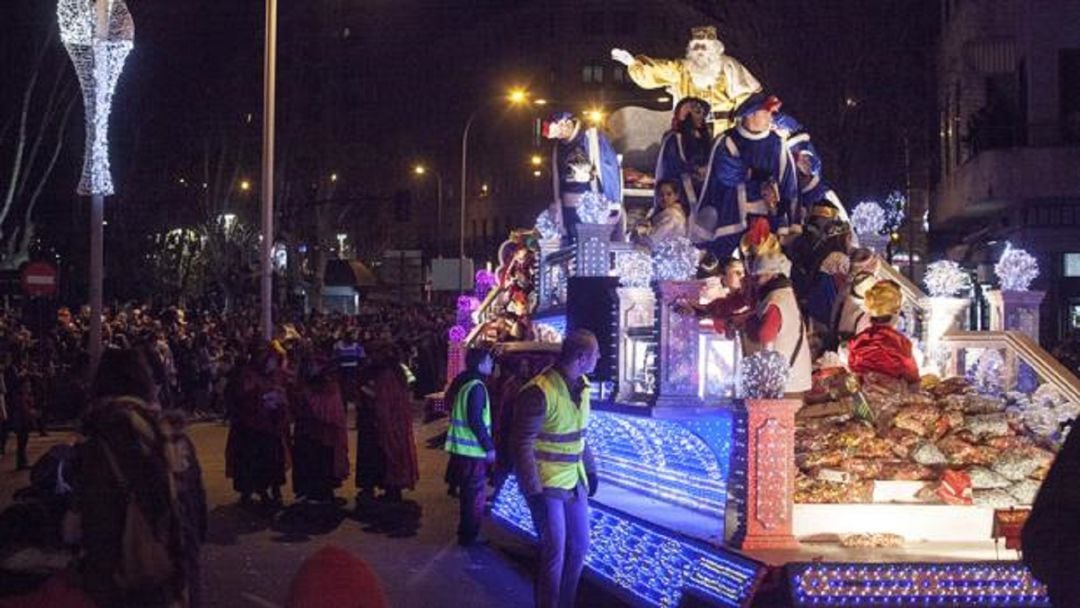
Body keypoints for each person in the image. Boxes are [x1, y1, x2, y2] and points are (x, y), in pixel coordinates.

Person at [69, 348, 200, 608]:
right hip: (178, 578)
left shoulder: (101, 439)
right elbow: (197, 517)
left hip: (124, 584)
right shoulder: (174, 437)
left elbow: (96, 525)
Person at [511, 329, 600, 608]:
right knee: (555, 551)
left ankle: (565, 602)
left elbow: (580, 435)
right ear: (582, 357)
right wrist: (532, 489)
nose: (599, 358)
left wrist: (591, 470)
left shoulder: (583, 385)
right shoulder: (539, 391)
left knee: (580, 546)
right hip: (547, 484)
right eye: (596, 354)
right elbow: (521, 443)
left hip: (574, 481)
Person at [695, 93, 799, 258]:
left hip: (768, 221)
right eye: (766, 113)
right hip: (731, 220)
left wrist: (787, 222)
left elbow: (788, 185)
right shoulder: (726, 141)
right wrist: (758, 175)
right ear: (751, 114)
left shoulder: (777, 143)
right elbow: (727, 173)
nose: (771, 118)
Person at [611, 25, 761, 134]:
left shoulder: (728, 65)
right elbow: (658, 70)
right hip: (691, 129)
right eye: (696, 46)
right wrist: (633, 64)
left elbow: (748, 97)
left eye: (704, 46)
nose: (700, 50)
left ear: (715, 48)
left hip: (723, 129)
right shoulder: (682, 68)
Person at [542, 111, 623, 244]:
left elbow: (608, 168)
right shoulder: (559, 147)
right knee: (572, 245)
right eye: (557, 134)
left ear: (567, 123)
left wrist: (613, 201)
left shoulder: (591, 138)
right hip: (567, 207)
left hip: (591, 203)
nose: (560, 135)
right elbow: (557, 178)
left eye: (560, 131)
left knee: (592, 245)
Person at [443, 346, 496, 546]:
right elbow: (475, 420)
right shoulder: (477, 387)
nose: (492, 365)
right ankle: (470, 536)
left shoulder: (466, 383)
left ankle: (466, 533)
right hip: (473, 451)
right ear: (481, 363)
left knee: (468, 495)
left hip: (463, 451)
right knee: (474, 496)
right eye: (490, 361)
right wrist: (489, 446)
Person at [225, 344, 290, 505]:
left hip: (271, 425)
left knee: (274, 460)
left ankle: (274, 490)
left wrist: (279, 398)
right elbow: (239, 396)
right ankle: (253, 491)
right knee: (250, 461)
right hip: (250, 427)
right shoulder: (247, 374)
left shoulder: (274, 374)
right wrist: (259, 396)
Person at [743, 248, 813, 396]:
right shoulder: (782, 295)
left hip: (785, 384)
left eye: (760, 276)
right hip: (791, 379)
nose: (757, 282)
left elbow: (765, 335)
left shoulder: (776, 300)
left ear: (773, 275)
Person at [355, 344, 418, 502]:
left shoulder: (385, 375)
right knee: (392, 456)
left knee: (386, 457)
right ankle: (392, 489)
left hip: (383, 422)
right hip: (395, 421)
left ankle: (390, 490)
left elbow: (380, 400)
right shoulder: (397, 371)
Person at [291, 353, 350, 504]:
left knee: (323, 463)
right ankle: (313, 492)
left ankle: (322, 492)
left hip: (324, 435)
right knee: (312, 462)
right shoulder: (309, 387)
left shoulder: (328, 388)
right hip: (311, 433)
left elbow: (328, 412)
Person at [847, 280, 920, 385]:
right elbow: (913, 379)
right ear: (896, 311)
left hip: (862, 398)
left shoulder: (857, 340)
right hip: (891, 398)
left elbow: (853, 374)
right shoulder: (900, 342)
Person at [654, 97, 712, 213]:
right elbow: (673, 164)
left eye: (702, 113)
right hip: (682, 192)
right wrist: (695, 170)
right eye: (697, 112)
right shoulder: (674, 138)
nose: (701, 116)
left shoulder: (703, 138)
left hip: (701, 189)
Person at [636, 179, 689, 248]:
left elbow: (652, 240)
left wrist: (640, 233)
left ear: (676, 196)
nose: (664, 198)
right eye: (661, 194)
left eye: (669, 194)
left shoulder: (672, 216)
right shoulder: (661, 213)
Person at [333, 330, 365, 413]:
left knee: (351, 391)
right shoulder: (339, 345)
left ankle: (353, 409)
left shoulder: (357, 346)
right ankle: (345, 409)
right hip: (344, 371)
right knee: (345, 390)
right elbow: (335, 357)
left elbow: (362, 358)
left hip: (352, 371)